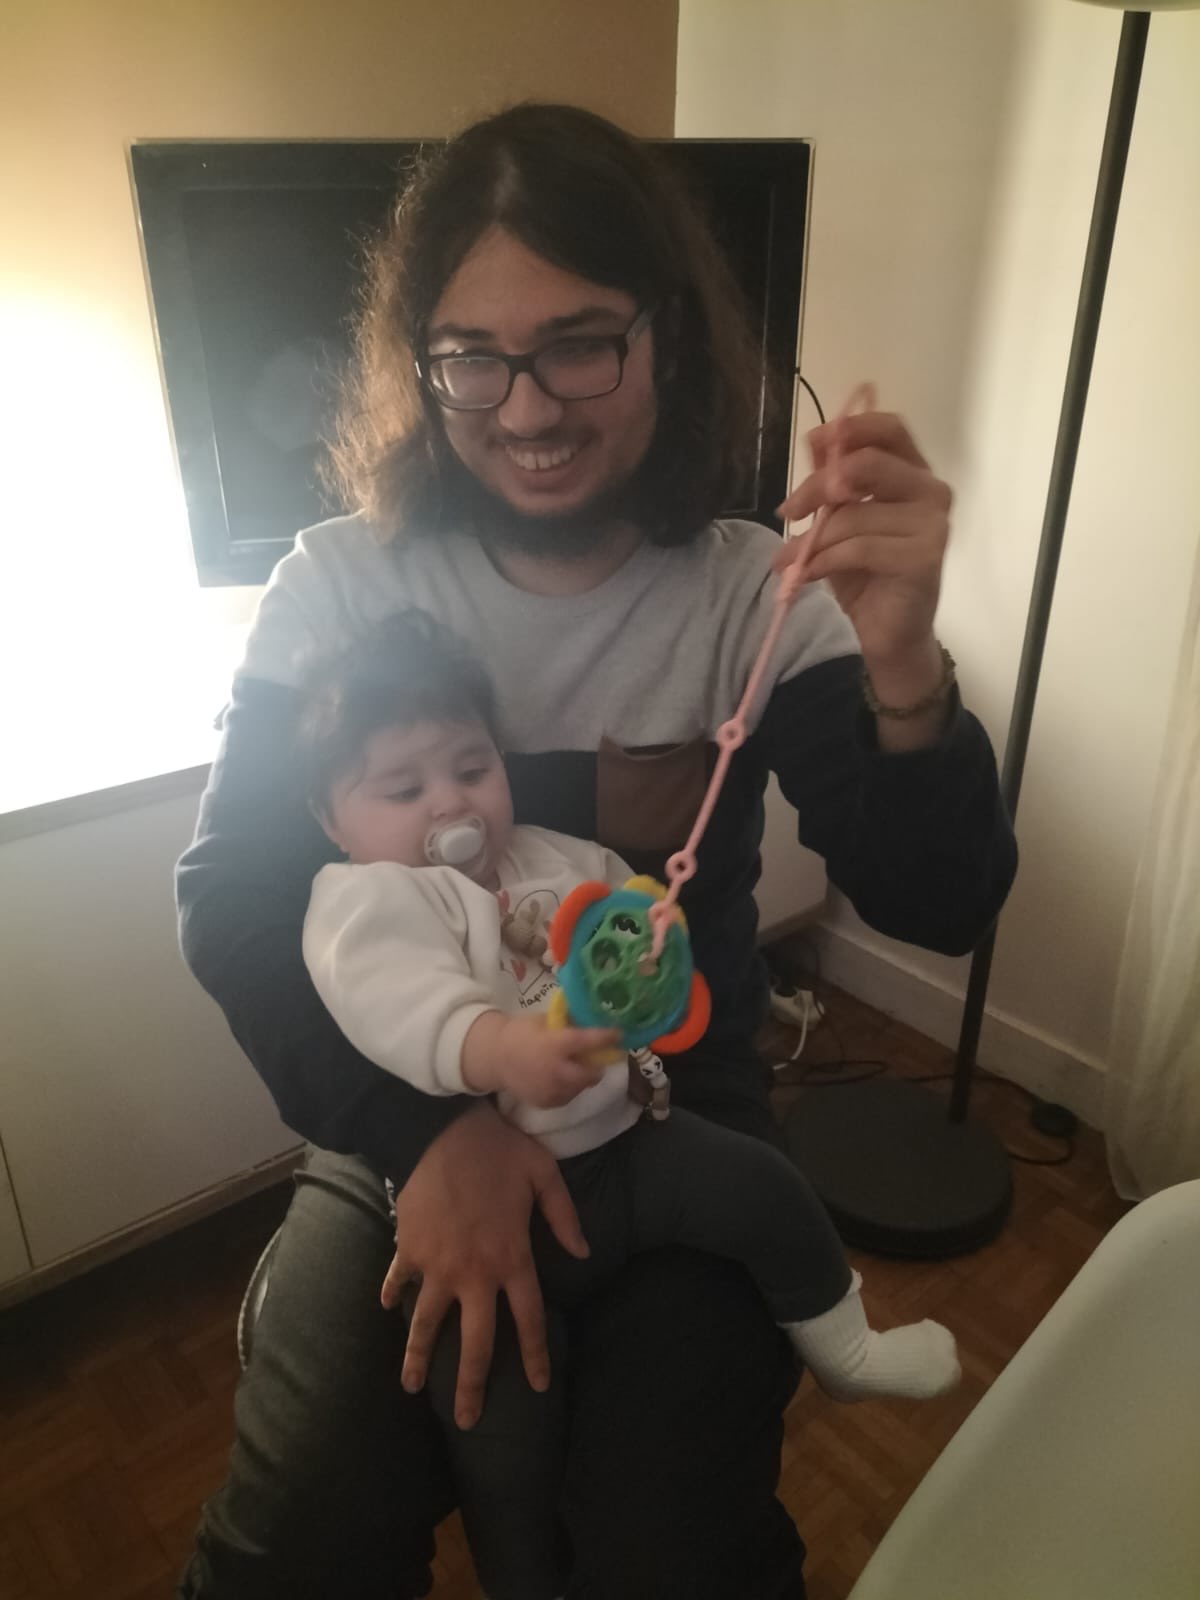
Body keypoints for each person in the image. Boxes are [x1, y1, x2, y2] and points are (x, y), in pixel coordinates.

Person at [175, 102, 1017, 1600]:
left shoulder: (758, 596)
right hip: (403, 1103)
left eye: (578, 345)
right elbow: (232, 908)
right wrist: (434, 1136)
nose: (526, 408)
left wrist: (903, 662)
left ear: (666, 339)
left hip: (670, 1110)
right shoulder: (334, 588)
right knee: (301, 1526)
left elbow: (939, 900)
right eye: (473, 356)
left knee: (665, 1548)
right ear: (423, 362)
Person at [299, 610, 962, 1599]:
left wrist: (647, 937)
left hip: (626, 1149)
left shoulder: (550, 855)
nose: (451, 801)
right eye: (403, 789)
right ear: (332, 821)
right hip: (499, 1209)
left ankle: (846, 1345)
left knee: (764, 1190)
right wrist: (501, 1048)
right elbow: (399, 1003)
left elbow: (624, 908)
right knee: (496, 1413)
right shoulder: (368, 901)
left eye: (473, 767)